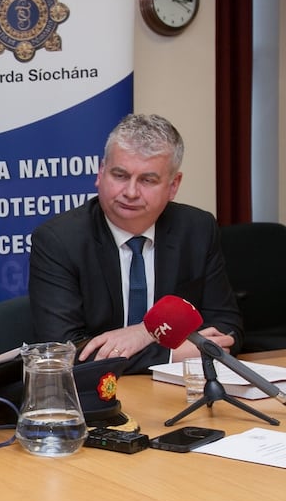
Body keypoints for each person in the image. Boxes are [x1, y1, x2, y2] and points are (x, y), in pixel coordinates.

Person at [29, 113, 242, 374]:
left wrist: (146, 333)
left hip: (177, 391)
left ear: (173, 186)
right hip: (98, 398)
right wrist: (173, 352)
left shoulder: (197, 229)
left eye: (147, 180)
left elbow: (226, 329)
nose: (130, 192)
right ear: (101, 173)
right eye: (120, 175)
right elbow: (66, 353)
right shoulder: (59, 240)